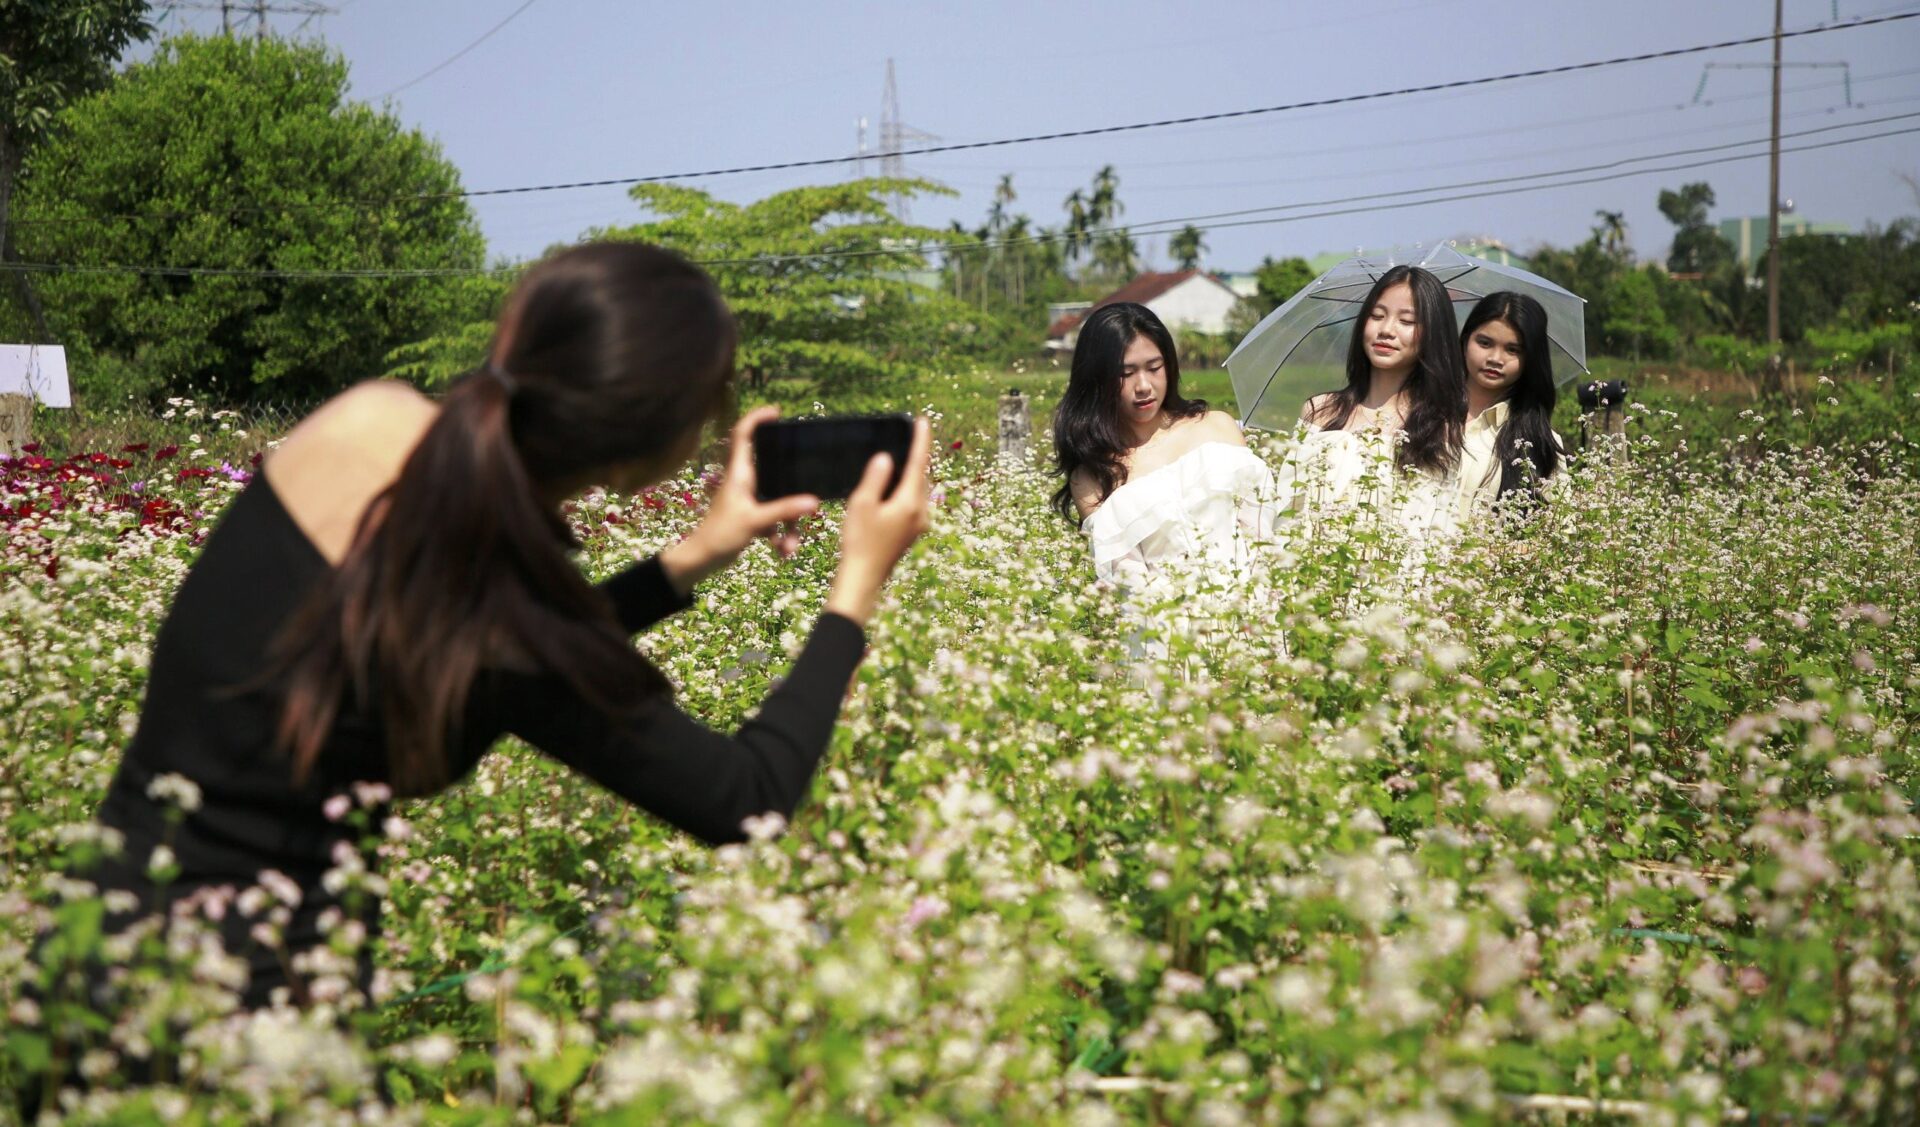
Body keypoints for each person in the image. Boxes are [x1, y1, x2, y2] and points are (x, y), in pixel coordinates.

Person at [30, 243, 931, 1031]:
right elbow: (750, 797)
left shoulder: (364, 421)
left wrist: (692, 556)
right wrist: (856, 586)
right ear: (637, 454)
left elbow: (475, 645)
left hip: (77, 969)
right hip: (245, 1031)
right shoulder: (510, 619)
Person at [1052, 302, 1274, 591]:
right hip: (1166, 628)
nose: (1143, 385)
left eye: (1154, 367)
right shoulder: (1094, 474)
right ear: (1096, 379)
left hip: (1254, 615)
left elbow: (1263, 534)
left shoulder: (1217, 427)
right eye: (1125, 373)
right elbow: (1129, 585)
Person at [1293, 265, 1466, 539]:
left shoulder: (1440, 428)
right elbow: (1291, 507)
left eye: (1407, 321)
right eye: (1377, 316)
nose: (1386, 330)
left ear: (1433, 334)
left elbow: (1434, 533)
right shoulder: (1320, 411)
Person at [1456, 291, 1563, 520]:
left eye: (1512, 350)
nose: (1495, 358)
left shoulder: (1539, 441)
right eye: (1484, 343)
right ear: (1465, 340)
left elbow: (1557, 533)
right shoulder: (1422, 412)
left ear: (1531, 359)